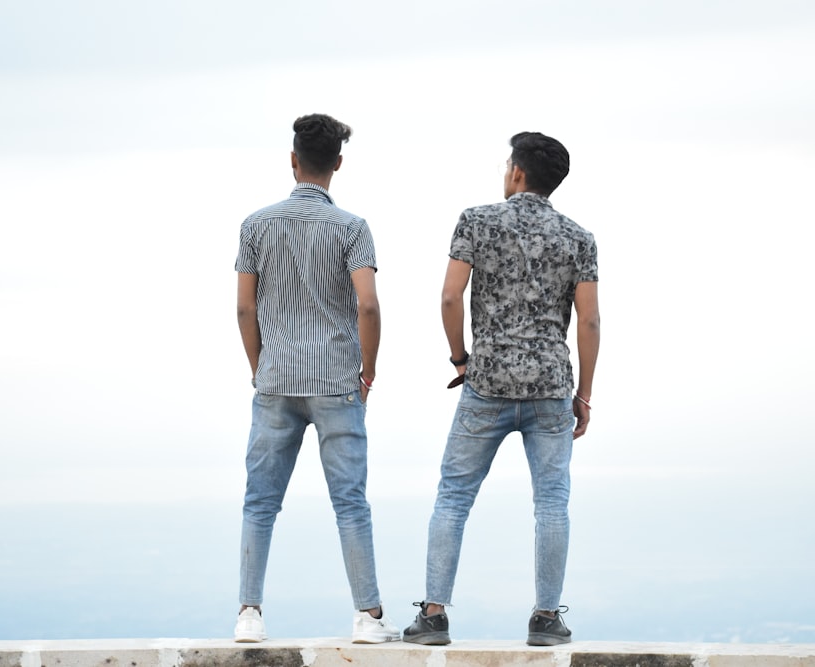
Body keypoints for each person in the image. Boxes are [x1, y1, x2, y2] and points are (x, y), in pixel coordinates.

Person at [402, 131, 600, 646]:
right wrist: (584, 395)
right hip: (551, 386)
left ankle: (434, 616)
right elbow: (590, 323)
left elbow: (449, 297)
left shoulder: (476, 220)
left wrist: (461, 359)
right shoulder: (579, 238)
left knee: (453, 497)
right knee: (552, 502)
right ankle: (545, 619)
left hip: (486, 382)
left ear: (516, 173)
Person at [233, 113, 400, 644]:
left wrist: (260, 366)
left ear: (293, 159)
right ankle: (368, 618)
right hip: (336, 380)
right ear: (339, 164)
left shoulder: (256, 225)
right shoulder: (352, 228)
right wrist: (367, 369)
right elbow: (368, 304)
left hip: (276, 378)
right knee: (350, 501)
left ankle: (249, 615)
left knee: (261, 501)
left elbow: (243, 309)